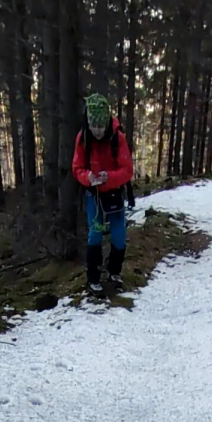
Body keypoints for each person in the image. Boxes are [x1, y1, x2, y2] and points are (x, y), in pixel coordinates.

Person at [72, 94, 134, 294]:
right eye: (93, 125)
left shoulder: (118, 138)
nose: (97, 130)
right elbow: (76, 167)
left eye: (100, 126)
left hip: (114, 194)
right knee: (95, 233)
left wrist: (111, 177)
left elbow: (127, 170)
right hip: (94, 195)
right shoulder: (83, 138)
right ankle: (93, 277)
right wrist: (87, 177)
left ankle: (114, 272)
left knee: (119, 234)